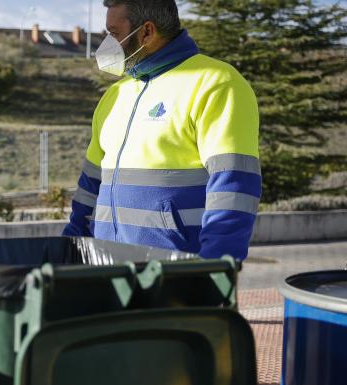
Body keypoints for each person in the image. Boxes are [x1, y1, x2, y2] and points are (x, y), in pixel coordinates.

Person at [62, 0, 261, 260]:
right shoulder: (115, 95)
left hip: (177, 275)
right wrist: (69, 248)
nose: (107, 43)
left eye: (114, 33)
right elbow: (91, 183)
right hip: (107, 268)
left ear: (147, 31)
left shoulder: (216, 83)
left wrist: (215, 267)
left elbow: (233, 187)